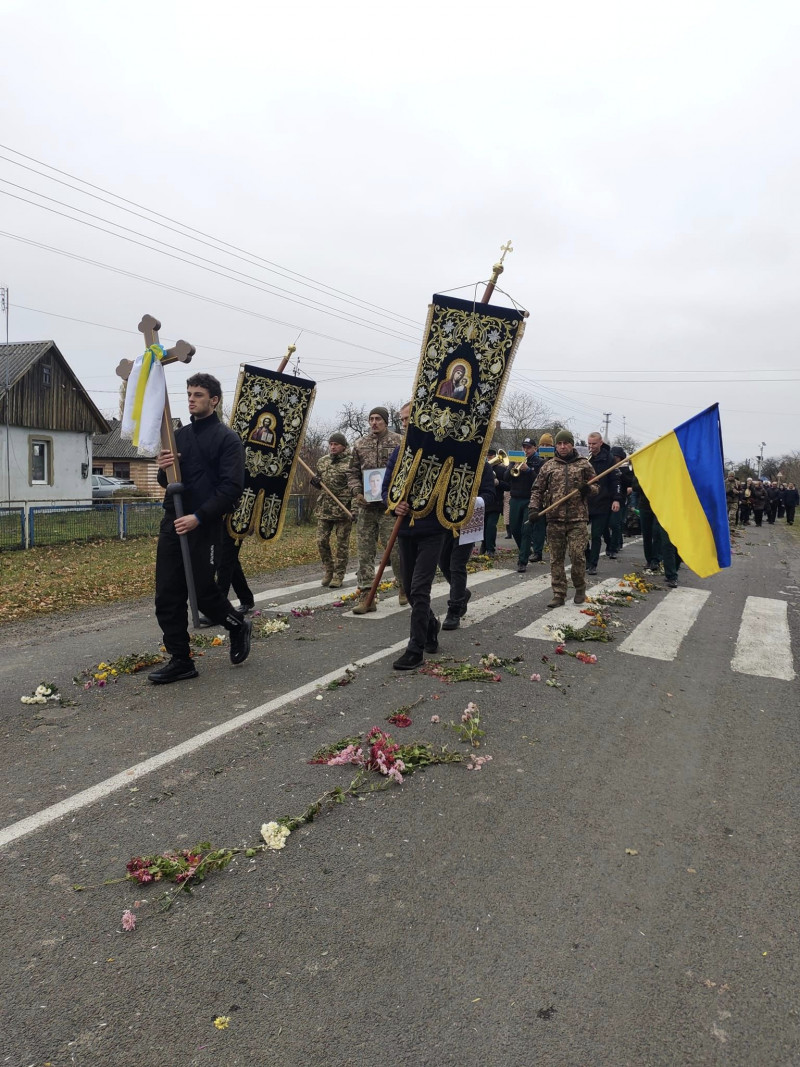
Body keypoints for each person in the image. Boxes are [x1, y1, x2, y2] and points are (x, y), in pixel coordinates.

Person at [148, 373, 252, 684]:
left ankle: (237, 625)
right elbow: (168, 484)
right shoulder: (177, 436)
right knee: (167, 594)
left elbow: (231, 487)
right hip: (173, 522)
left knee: (205, 594)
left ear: (214, 400)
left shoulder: (227, 439)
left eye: (198, 395)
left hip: (203, 524)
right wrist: (163, 470)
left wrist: (199, 516)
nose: (191, 399)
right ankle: (181, 659)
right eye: (189, 393)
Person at [382, 408, 447, 668]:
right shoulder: (399, 451)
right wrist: (394, 504)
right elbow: (387, 487)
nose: (406, 423)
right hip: (405, 530)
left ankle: (415, 648)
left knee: (420, 588)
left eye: (411, 418)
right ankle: (430, 624)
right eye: (403, 420)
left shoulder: (441, 449)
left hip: (432, 528)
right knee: (409, 589)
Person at [529, 429, 596, 608]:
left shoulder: (584, 465)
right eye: (559, 443)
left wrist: (587, 489)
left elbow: (596, 486)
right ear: (556, 446)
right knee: (556, 558)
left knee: (577, 555)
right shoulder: (548, 466)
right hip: (554, 519)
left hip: (578, 519)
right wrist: (534, 508)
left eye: (566, 443)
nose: (563, 446)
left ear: (572, 444)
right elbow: (537, 489)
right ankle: (559, 593)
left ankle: (580, 587)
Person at [347, 406, 405, 612]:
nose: (374, 422)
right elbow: (352, 471)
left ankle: (404, 587)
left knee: (397, 550)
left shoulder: (398, 442)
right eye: (371, 419)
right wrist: (356, 492)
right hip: (367, 507)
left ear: (386, 421)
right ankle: (367, 596)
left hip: (390, 507)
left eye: (378, 419)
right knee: (365, 552)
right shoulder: (360, 444)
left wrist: (398, 496)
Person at [439, 461, 496, 630]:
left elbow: (490, 494)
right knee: (442, 562)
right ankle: (462, 593)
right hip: (445, 519)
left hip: (468, 519)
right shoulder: (447, 460)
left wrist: (472, 501)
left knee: (457, 564)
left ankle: (454, 609)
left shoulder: (482, 465)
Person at [311, 432, 353, 588]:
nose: (333, 447)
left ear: (343, 446)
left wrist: (354, 509)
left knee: (342, 544)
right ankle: (329, 569)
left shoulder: (351, 462)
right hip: (325, 508)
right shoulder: (323, 461)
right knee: (321, 540)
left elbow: (356, 486)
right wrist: (315, 482)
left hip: (343, 509)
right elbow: (318, 480)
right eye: (331, 444)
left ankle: (339, 575)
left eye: (336, 444)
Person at [500, 437, 542, 573]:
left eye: (529, 447)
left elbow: (540, 481)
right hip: (515, 498)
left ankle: (522, 561)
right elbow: (506, 477)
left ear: (535, 448)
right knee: (514, 529)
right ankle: (526, 550)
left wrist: (528, 470)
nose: (526, 450)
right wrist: (513, 465)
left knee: (526, 530)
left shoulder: (539, 462)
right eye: (524, 447)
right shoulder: (515, 459)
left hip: (530, 499)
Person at [585, 431, 621, 573]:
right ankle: (587, 557)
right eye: (589, 444)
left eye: (594, 444)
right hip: (586, 502)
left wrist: (616, 499)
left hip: (602, 502)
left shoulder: (609, 459)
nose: (591, 447)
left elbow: (615, 480)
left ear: (600, 443)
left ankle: (593, 564)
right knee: (581, 535)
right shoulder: (584, 459)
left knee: (595, 535)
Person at [607, 445, 633, 554]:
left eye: (616, 457)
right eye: (613, 456)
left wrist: (620, 474)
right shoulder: (608, 467)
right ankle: (611, 543)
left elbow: (630, 482)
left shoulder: (625, 469)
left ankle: (614, 547)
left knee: (615, 523)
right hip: (607, 498)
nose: (614, 458)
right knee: (607, 524)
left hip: (620, 499)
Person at [481, 450, 505, 556]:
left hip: (496, 502)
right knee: (483, 526)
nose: (489, 458)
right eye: (487, 456)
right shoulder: (482, 470)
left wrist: (498, 483)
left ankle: (491, 548)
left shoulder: (500, 470)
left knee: (491, 526)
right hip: (484, 502)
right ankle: (484, 545)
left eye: (491, 456)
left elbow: (508, 485)